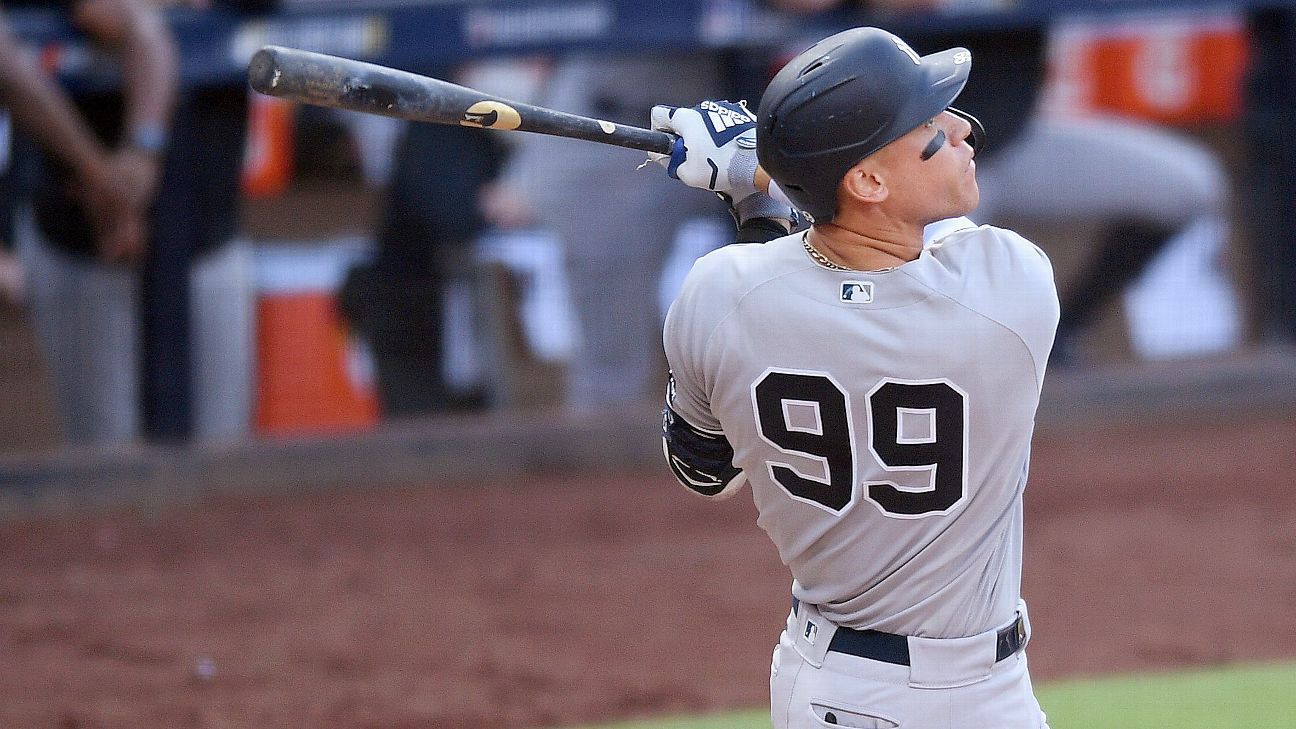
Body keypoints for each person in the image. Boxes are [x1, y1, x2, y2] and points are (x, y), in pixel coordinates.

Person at [652, 27, 1056, 728]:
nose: (962, 129)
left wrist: (759, 186)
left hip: (834, 689)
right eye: (929, 128)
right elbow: (887, 262)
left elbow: (703, 471)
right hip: (980, 697)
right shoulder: (1009, 286)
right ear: (867, 181)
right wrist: (758, 173)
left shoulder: (717, 295)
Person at [771, 0, 1230, 365]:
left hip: (1013, 143)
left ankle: (1060, 335)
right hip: (912, 160)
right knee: (918, 289)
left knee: (1188, 185)